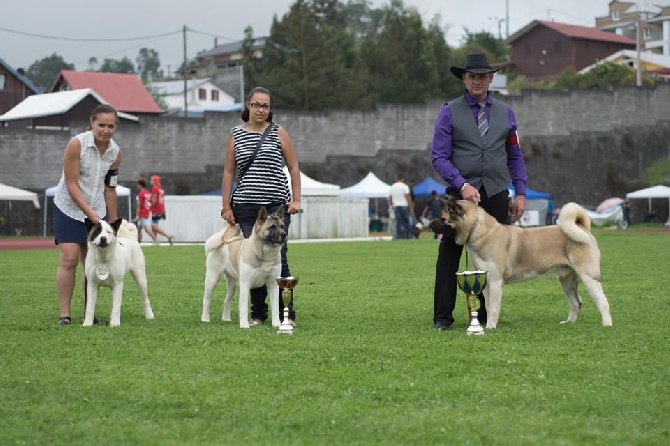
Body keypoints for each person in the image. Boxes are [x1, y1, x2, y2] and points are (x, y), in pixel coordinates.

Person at [431, 53, 528, 330]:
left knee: (494, 257)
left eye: (482, 76)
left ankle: (485, 315)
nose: (477, 81)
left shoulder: (506, 113)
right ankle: (442, 317)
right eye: (472, 76)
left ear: (491, 79)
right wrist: (462, 184)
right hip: (459, 195)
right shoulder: (449, 111)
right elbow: (439, 157)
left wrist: (520, 192)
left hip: (496, 192)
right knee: (449, 253)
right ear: (464, 78)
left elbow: (515, 155)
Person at [220, 86, 302, 326]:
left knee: (280, 259)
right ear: (248, 106)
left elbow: (294, 168)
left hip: (277, 206)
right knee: (252, 259)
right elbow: (228, 172)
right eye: (256, 105)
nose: (260, 110)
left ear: (270, 109)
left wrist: (296, 199)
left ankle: (286, 313)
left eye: (265, 106)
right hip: (246, 207)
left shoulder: (279, 132)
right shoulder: (236, 133)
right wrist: (226, 206)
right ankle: (258, 313)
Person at [53, 104, 123, 325]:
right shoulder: (77, 145)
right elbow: (72, 185)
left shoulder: (115, 153)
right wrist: (90, 214)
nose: (106, 130)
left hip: (97, 212)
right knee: (69, 259)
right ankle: (65, 315)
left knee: (91, 263)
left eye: (111, 126)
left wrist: (112, 224)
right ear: (92, 123)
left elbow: (110, 188)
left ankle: (89, 314)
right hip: (68, 207)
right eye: (101, 124)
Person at [149, 174, 175, 245]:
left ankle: (168, 236)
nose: (150, 181)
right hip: (160, 209)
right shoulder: (160, 189)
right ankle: (155, 241)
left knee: (154, 227)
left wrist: (150, 207)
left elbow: (154, 200)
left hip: (156, 209)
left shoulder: (155, 189)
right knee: (154, 226)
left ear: (154, 181)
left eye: (151, 180)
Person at [389, 174, 413, 239]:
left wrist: (392, 206)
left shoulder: (392, 187)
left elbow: (390, 198)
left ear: (396, 179)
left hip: (396, 206)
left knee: (398, 222)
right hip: (404, 206)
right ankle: (409, 236)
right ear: (402, 179)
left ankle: (399, 236)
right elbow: (408, 197)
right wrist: (410, 207)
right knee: (407, 221)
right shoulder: (405, 186)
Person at [135, 178, 158, 245]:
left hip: (142, 213)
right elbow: (150, 203)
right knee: (139, 229)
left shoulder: (141, 194)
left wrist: (137, 215)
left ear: (140, 185)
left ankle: (155, 240)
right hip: (147, 212)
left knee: (147, 229)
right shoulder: (148, 193)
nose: (137, 186)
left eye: (138, 184)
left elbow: (139, 205)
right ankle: (138, 242)